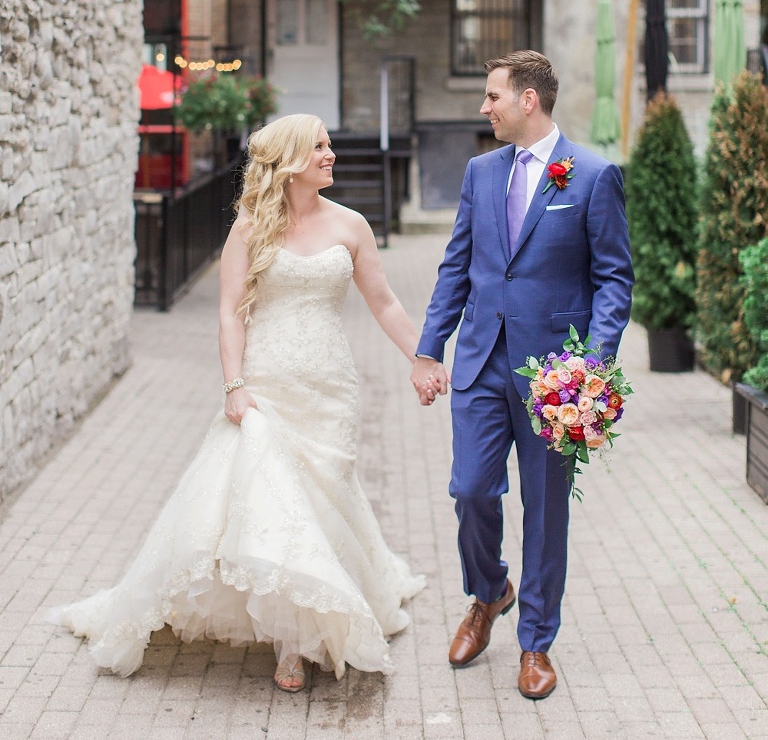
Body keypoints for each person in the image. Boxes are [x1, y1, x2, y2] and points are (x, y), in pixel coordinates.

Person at [49, 114, 428, 692]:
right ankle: (291, 645)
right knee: (278, 506)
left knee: (325, 499)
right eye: (320, 147)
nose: (332, 154)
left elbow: (386, 303)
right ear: (293, 160)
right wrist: (233, 385)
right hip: (267, 384)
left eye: (329, 146)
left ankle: (326, 609)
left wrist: (420, 358)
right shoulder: (250, 228)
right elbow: (230, 310)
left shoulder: (352, 226)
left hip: (329, 387)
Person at [410, 51, 633, 700]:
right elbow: (457, 266)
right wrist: (430, 348)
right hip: (479, 361)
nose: (485, 107)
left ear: (527, 100)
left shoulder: (592, 175)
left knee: (544, 512)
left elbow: (615, 278)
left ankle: (535, 641)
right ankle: (489, 592)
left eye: (492, 96)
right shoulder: (481, 173)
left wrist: (590, 369)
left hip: (553, 379)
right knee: (470, 489)